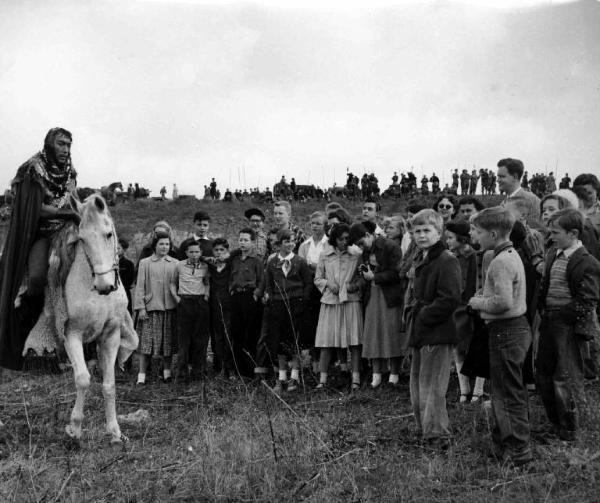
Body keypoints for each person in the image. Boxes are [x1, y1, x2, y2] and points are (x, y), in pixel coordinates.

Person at [0, 127, 80, 370]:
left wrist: (74, 212)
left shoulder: (70, 170)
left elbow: (72, 196)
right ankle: (22, 322)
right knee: (37, 278)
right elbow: (32, 207)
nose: (66, 149)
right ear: (49, 144)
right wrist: (60, 211)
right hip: (39, 231)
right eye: (61, 144)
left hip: (66, 229)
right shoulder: (33, 169)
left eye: (69, 144)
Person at [468, 207, 532, 466]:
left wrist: (477, 302)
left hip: (507, 331)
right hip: (514, 330)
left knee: (506, 394)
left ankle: (518, 452)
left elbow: (503, 302)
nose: (475, 236)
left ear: (493, 234)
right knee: (508, 391)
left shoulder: (500, 261)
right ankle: (507, 445)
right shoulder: (509, 254)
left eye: (479, 232)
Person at [536, 209, 600, 441]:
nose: (551, 237)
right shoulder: (554, 253)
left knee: (564, 378)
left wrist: (562, 317)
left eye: (555, 232)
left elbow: (588, 300)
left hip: (568, 326)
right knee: (543, 374)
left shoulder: (588, 262)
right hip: (549, 322)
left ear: (573, 233)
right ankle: (554, 424)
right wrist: (545, 311)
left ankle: (568, 430)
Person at [405, 209, 461, 450]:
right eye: (417, 231)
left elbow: (449, 299)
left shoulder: (446, 260)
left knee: (433, 386)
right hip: (421, 330)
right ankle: (424, 431)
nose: (421, 235)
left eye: (427, 230)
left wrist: (424, 316)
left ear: (439, 232)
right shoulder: (422, 257)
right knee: (418, 384)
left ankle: (437, 436)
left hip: (436, 331)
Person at [350, 221, 406, 388]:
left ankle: (394, 374)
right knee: (374, 333)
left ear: (369, 235)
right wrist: (363, 276)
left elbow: (398, 273)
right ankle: (377, 374)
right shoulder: (365, 252)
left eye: (361, 242)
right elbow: (363, 273)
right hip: (372, 296)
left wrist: (374, 277)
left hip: (389, 296)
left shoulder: (391, 246)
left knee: (392, 333)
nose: (361, 247)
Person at [314, 223, 363, 390]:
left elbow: (362, 276)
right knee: (327, 342)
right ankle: (322, 380)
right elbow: (317, 278)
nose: (344, 241)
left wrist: (354, 286)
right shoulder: (325, 255)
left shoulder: (356, 254)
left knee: (355, 341)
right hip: (330, 302)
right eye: (341, 239)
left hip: (350, 300)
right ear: (334, 239)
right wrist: (328, 284)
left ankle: (355, 379)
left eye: (347, 238)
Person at [262, 229, 313, 392]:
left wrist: (302, 301)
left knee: (295, 340)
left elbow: (308, 284)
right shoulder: (272, 262)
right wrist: (271, 299)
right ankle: (282, 377)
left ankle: (295, 377)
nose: (290, 244)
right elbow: (269, 283)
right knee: (279, 341)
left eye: (292, 241)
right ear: (279, 243)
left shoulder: (300, 262)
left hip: (296, 304)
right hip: (278, 304)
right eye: (286, 241)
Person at [134, 231, 178, 385]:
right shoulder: (145, 263)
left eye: (167, 244)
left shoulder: (175, 263)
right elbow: (139, 287)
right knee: (147, 344)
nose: (164, 247)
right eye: (161, 244)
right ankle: (141, 376)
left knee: (167, 344)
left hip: (169, 308)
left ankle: (167, 373)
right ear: (154, 246)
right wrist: (141, 308)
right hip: (151, 308)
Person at [444, 219, 480, 403]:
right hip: (457, 306)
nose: (448, 241)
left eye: (450, 238)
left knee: (476, 346)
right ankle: (464, 389)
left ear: (461, 238)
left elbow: (476, 280)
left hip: (472, 305)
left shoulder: (475, 256)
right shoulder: (450, 257)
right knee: (458, 346)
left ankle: (478, 390)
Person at [171, 238, 210, 382]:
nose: (194, 254)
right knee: (183, 339)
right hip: (184, 302)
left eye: (197, 252)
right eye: (191, 252)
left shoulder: (205, 266)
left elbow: (206, 283)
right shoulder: (179, 265)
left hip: (200, 303)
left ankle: (198, 371)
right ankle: (181, 373)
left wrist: (206, 296)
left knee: (200, 338)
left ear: (201, 252)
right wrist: (177, 298)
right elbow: (172, 284)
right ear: (186, 252)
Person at [228, 228, 264, 378]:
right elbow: (230, 276)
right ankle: (237, 369)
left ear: (253, 242)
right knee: (237, 333)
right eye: (240, 240)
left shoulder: (257, 260)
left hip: (250, 298)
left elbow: (262, 280)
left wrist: (256, 294)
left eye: (246, 240)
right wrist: (231, 289)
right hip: (236, 297)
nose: (242, 243)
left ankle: (250, 371)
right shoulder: (235, 259)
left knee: (250, 334)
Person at [298, 212, 328, 372]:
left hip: (323, 290)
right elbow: (301, 266)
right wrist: (313, 267)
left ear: (325, 225)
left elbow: (327, 267)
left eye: (318, 223)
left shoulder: (329, 244)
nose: (315, 226)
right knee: (309, 325)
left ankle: (324, 364)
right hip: (309, 290)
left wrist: (314, 266)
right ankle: (312, 361)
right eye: (313, 223)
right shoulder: (305, 245)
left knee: (322, 325)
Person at [206, 238, 233, 378]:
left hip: (229, 304)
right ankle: (219, 367)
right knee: (217, 336)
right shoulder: (210, 265)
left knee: (228, 335)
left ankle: (230, 367)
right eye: (216, 250)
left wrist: (227, 257)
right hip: (214, 304)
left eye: (222, 250)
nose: (219, 252)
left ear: (227, 250)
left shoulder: (231, 263)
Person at [498, 158, 541, 224]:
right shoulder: (503, 204)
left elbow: (539, 231)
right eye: (498, 177)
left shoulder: (532, 200)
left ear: (515, 177)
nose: (498, 180)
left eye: (502, 176)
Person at [118, 238, 135, 314]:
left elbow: (130, 282)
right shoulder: (107, 264)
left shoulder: (129, 264)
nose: (115, 250)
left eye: (118, 248)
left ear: (124, 249)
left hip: (124, 294)